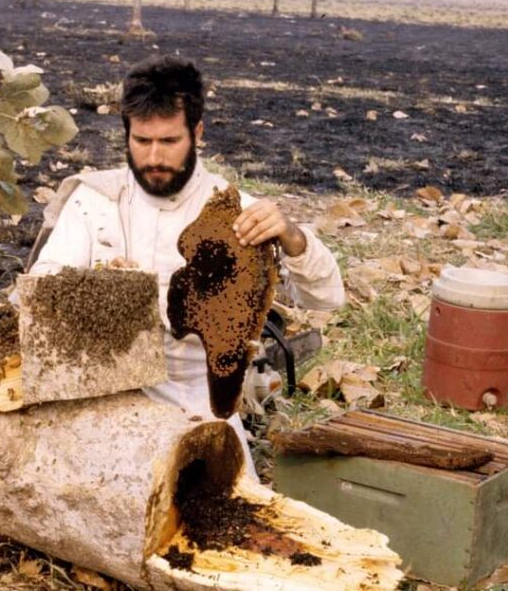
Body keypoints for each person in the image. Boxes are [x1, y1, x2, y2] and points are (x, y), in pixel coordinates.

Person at [29, 56, 344, 476]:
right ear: (126, 133)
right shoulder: (94, 201)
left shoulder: (236, 213)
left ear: (197, 134)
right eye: (142, 141)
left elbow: (326, 297)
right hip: (100, 395)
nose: (154, 157)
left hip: (197, 402)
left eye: (169, 141)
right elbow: (37, 294)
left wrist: (292, 236)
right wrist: (97, 286)